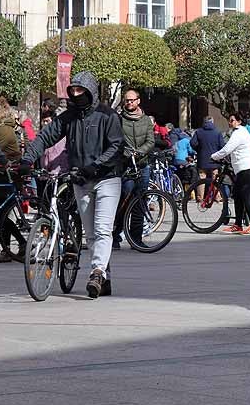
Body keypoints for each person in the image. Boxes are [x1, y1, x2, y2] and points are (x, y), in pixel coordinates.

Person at [21, 72, 124, 298]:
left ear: (91, 91)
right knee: (90, 235)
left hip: (107, 179)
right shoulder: (68, 117)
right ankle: (104, 277)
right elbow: (45, 137)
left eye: (80, 90)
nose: (76, 95)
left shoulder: (108, 116)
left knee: (102, 228)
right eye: (73, 90)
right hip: (80, 180)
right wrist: (28, 159)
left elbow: (116, 146)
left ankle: (96, 273)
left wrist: (95, 166)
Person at [114, 89, 155, 250]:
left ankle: (136, 238)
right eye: (127, 100)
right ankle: (115, 234)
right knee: (123, 200)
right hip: (126, 166)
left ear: (138, 101)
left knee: (140, 201)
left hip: (142, 165)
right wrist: (125, 152)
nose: (129, 103)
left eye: (132, 100)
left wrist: (140, 152)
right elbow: (115, 140)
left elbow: (151, 141)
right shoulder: (118, 119)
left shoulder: (145, 120)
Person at [212, 112, 250, 235]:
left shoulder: (239, 133)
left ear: (239, 121)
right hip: (243, 170)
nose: (230, 122)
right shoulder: (241, 132)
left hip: (248, 169)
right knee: (237, 195)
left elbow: (227, 149)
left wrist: (214, 156)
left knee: (245, 196)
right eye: (229, 120)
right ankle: (238, 225)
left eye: (232, 120)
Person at [0, 96, 23, 262]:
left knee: (0, 212)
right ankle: (12, 248)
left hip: (9, 173)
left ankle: (11, 249)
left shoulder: (2, 128)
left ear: (2, 109)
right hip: (2, 172)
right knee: (0, 212)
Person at [192, 116, 226, 190]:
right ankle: (216, 197)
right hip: (215, 159)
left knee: (202, 178)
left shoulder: (198, 131)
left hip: (202, 158)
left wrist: (199, 149)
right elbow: (222, 146)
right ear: (212, 122)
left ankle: (200, 198)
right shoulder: (217, 132)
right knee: (215, 178)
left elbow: (193, 143)